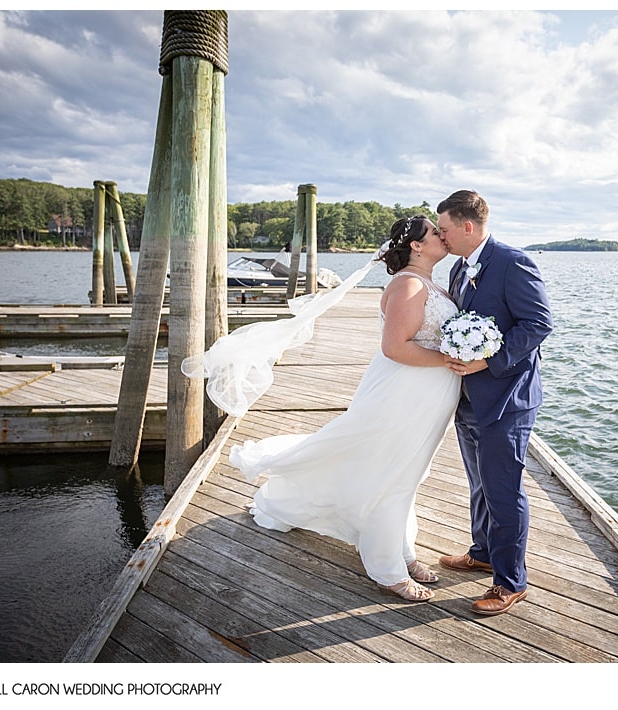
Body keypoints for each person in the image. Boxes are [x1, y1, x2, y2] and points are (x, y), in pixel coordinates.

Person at [227, 215, 461, 602]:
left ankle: (402, 551)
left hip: (427, 396)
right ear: (416, 246)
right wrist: (452, 359)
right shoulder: (407, 284)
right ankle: (387, 568)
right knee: (392, 473)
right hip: (404, 394)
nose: (442, 235)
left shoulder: (431, 282)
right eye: (435, 232)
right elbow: (396, 347)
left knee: (407, 474)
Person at [436, 190, 553, 616]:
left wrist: (489, 360)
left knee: (503, 490)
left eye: (445, 229)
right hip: (468, 398)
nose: (441, 237)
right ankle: (483, 551)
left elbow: (538, 324)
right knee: (479, 483)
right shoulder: (457, 269)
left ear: (468, 227)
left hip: (507, 398)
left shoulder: (511, 262)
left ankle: (510, 582)